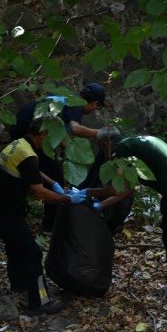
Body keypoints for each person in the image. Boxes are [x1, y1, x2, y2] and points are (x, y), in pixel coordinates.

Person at [88, 127, 167, 305]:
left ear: (105, 143)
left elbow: (119, 189)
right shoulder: (136, 141)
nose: (105, 155)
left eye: (102, 149)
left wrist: (90, 195)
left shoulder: (121, 151)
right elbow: (129, 189)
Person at [0, 117, 87, 315]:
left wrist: (54, 183)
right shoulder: (28, 155)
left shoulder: (19, 144)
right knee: (32, 252)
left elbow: (33, 171)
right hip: (3, 209)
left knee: (15, 246)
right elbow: (39, 192)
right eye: (53, 135)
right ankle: (39, 302)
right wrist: (67, 200)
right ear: (44, 133)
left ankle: (20, 285)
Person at [9, 82, 107, 231]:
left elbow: (59, 135)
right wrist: (103, 132)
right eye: (97, 107)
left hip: (20, 127)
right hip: (28, 132)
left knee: (36, 171)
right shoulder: (76, 105)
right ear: (95, 103)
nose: (94, 110)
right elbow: (76, 129)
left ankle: (22, 211)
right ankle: (51, 225)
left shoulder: (65, 100)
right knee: (53, 175)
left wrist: (70, 155)